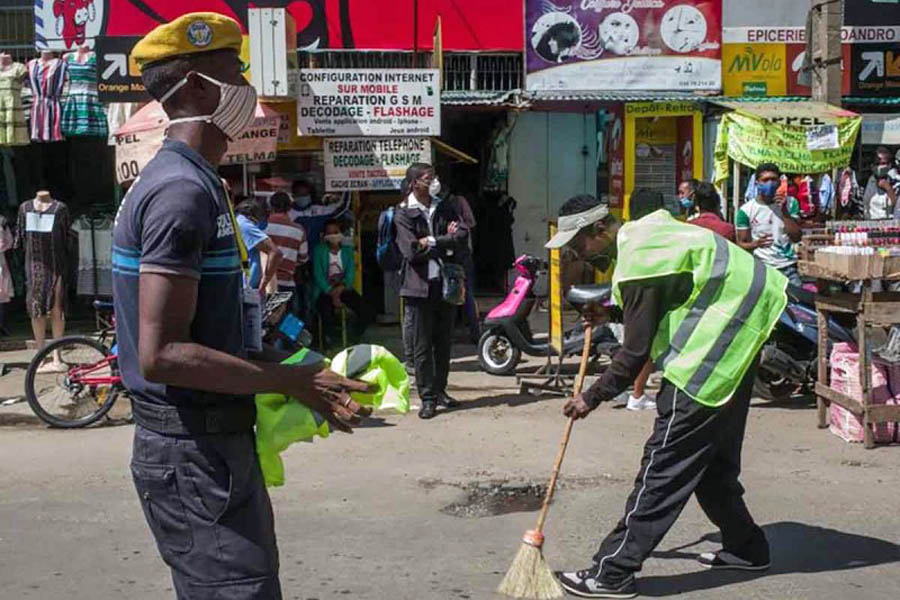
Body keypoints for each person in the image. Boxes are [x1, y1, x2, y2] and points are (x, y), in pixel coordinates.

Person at [113, 14, 370, 598]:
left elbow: (210, 329)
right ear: (201, 88)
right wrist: (288, 379)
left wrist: (297, 369)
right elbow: (162, 354)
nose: (249, 90)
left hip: (211, 443)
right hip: (192, 451)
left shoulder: (199, 183)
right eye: (239, 73)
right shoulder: (180, 192)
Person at [546, 192, 787, 599]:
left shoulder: (640, 257)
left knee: (664, 465)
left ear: (601, 229)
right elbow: (668, 296)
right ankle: (747, 548)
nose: (577, 254)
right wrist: (612, 313)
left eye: (578, 244)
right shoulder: (650, 235)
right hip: (742, 337)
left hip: (713, 352)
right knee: (711, 466)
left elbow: (635, 352)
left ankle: (612, 572)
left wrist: (592, 396)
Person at [394, 162, 468, 419]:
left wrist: (433, 241)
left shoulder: (444, 206)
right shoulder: (403, 213)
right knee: (422, 346)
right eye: (428, 178)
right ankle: (427, 397)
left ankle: (441, 391)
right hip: (418, 288)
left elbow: (461, 236)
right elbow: (410, 251)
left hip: (445, 286)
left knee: (443, 343)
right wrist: (442, 242)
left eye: (434, 176)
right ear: (415, 183)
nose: (434, 181)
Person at [736, 162, 803, 287]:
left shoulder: (791, 203)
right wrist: (755, 244)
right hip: (763, 268)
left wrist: (784, 211)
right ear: (757, 183)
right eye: (765, 180)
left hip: (788, 267)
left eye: (773, 179)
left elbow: (796, 236)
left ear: (779, 182)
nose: (770, 183)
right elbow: (741, 244)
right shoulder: (746, 210)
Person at [312, 219, 372, 341]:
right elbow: (318, 275)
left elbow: (350, 274)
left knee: (365, 311)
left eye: (336, 232)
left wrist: (340, 289)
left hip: (343, 288)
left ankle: (354, 338)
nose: (333, 236)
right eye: (330, 233)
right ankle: (328, 341)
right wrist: (331, 292)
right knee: (326, 313)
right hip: (325, 291)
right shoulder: (319, 250)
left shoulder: (347, 251)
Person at [265, 191, 309, 306]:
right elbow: (303, 257)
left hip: (265, 282)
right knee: (286, 319)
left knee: (264, 319)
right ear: (290, 208)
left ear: (271, 206)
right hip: (287, 282)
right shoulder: (299, 230)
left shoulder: (261, 227)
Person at [235, 198, 282, 293]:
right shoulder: (245, 226)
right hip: (246, 288)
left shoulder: (238, 222)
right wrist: (265, 282)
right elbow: (276, 253)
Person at [862, 147, 899, 219]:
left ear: (889, 165)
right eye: (877, 163)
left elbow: (897, 206)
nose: (880, 166)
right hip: (870, 224)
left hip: (889, 225)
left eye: (883, 163)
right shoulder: (866, 181)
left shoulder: (895, 180)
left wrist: (888, 189)